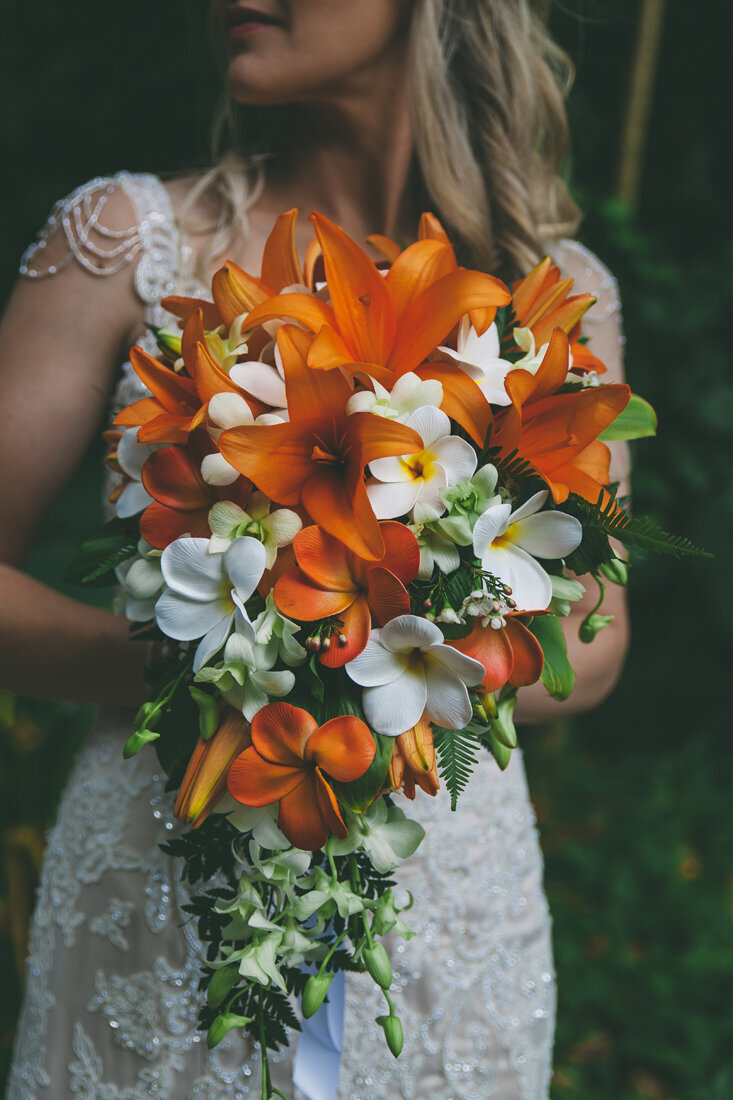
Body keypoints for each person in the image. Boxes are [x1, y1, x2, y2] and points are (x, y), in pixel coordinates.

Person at [2, 1, 630, 1097]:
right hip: (164, 902)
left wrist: (390, 652)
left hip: (443, 923)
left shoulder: (550, 289)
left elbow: (596, 636)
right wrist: (209, 660)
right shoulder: (130, 243)